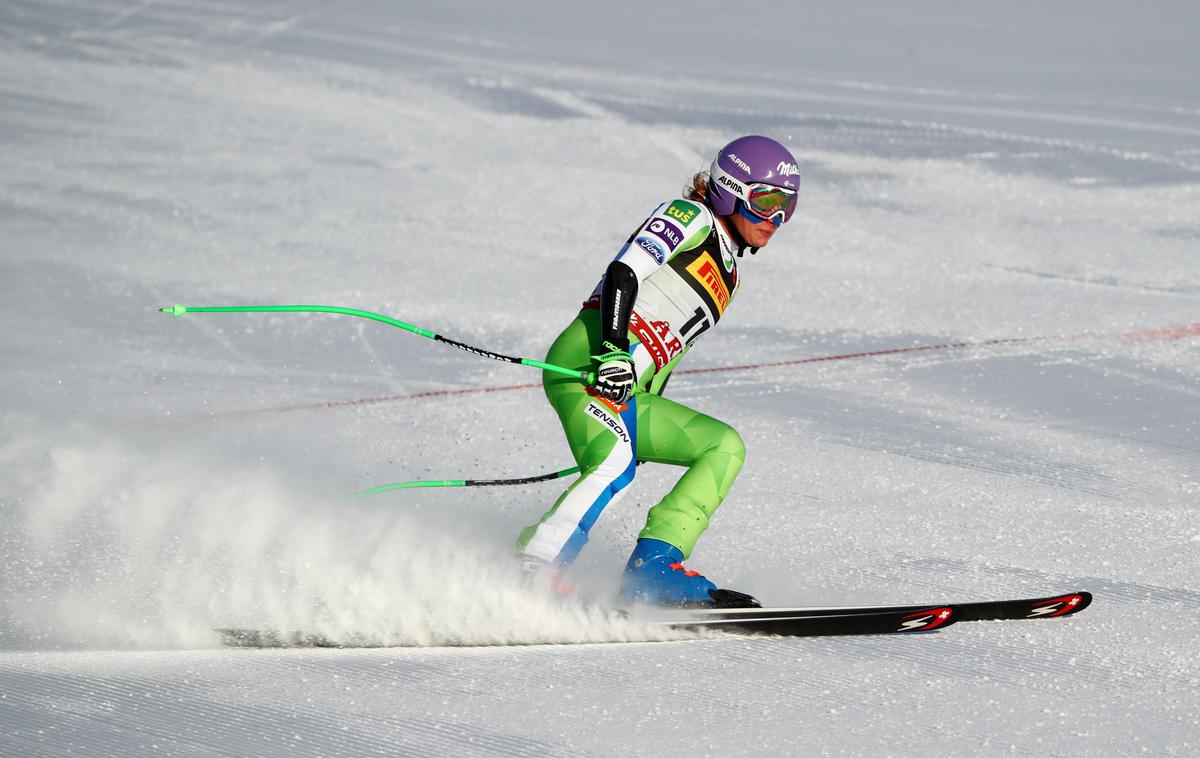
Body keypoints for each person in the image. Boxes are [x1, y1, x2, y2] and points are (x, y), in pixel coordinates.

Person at [517, 135, 801, 608]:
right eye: (767, 200)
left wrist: (638, 414)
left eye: (787, 207)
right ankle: (534, 566)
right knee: (612, 463)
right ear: (732, 188)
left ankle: (655, 570)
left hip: (629, 388)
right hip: (587, 359)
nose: (776, 219)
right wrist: (610, 351)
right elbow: (624, 272)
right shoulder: (690, 217)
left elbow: (667, 349)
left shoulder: (729, 273)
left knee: (722, 446)